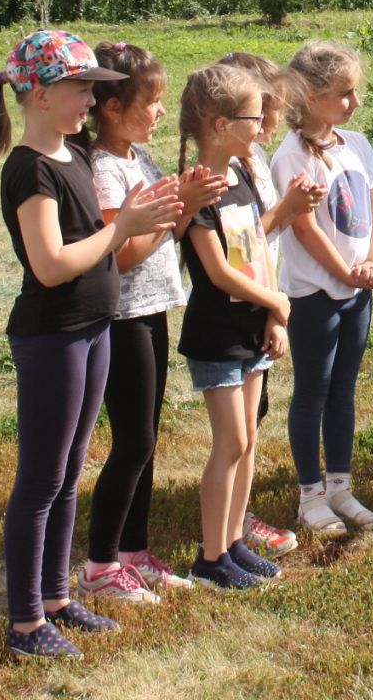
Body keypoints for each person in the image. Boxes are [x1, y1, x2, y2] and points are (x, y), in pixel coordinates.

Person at [0, 30, 179, 660]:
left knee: (68, 476)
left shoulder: (76, 160)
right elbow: (52, 265)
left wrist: (132, 221)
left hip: (92, 329)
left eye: (92, 88)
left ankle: (57, 599)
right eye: (80, 87)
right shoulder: (30, 169)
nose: (90, 99)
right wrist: (125, 232)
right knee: (40, 480)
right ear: (37, 94)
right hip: (52, 336)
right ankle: (26, 621)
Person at [79, 41, 224, 604]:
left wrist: (186, 204)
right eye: (152, 101)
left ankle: (133, 553)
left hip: (152, 310)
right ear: (112, 108)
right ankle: (99, 563)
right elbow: (120, 252)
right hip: (121, 318)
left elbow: (167, 225)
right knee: (132, 441)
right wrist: (173, 210)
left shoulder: (139, 159)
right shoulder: (104, 169)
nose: (161, 111)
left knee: (147, 440)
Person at [175, 63, 292, 591]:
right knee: (231, 442)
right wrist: (276, 300)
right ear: (220, 126)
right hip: (218, 332)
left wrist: (272, 313)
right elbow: (219, 270)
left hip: (253, 326)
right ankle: (210, 556)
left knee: (247, 443)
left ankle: (234, 543)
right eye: (253, 115)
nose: (264, 122)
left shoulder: (243, 173)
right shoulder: (197, 190)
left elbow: (256, 253)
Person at [271, 41, 373, 537]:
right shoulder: (292, 154)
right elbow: (302, 226)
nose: (355, 103)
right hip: (315, 293)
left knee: (343, 390)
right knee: (313, 391)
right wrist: (344, 272)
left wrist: (372, 265)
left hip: (358, 290)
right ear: (312, 97)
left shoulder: (356, 144)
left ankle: (340, 484)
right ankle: (310, 495)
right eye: (345, 94)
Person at [216, 51, 324, 560]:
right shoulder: (228, 165)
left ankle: (237, 521)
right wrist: (286, 209)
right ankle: (227, 531)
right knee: (236, 432)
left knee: (251, 423)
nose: (276, 117)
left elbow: (261, 247)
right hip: (238, 307)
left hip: (262, 301)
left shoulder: (253, 159)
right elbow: (237, 247)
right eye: (270, 106)